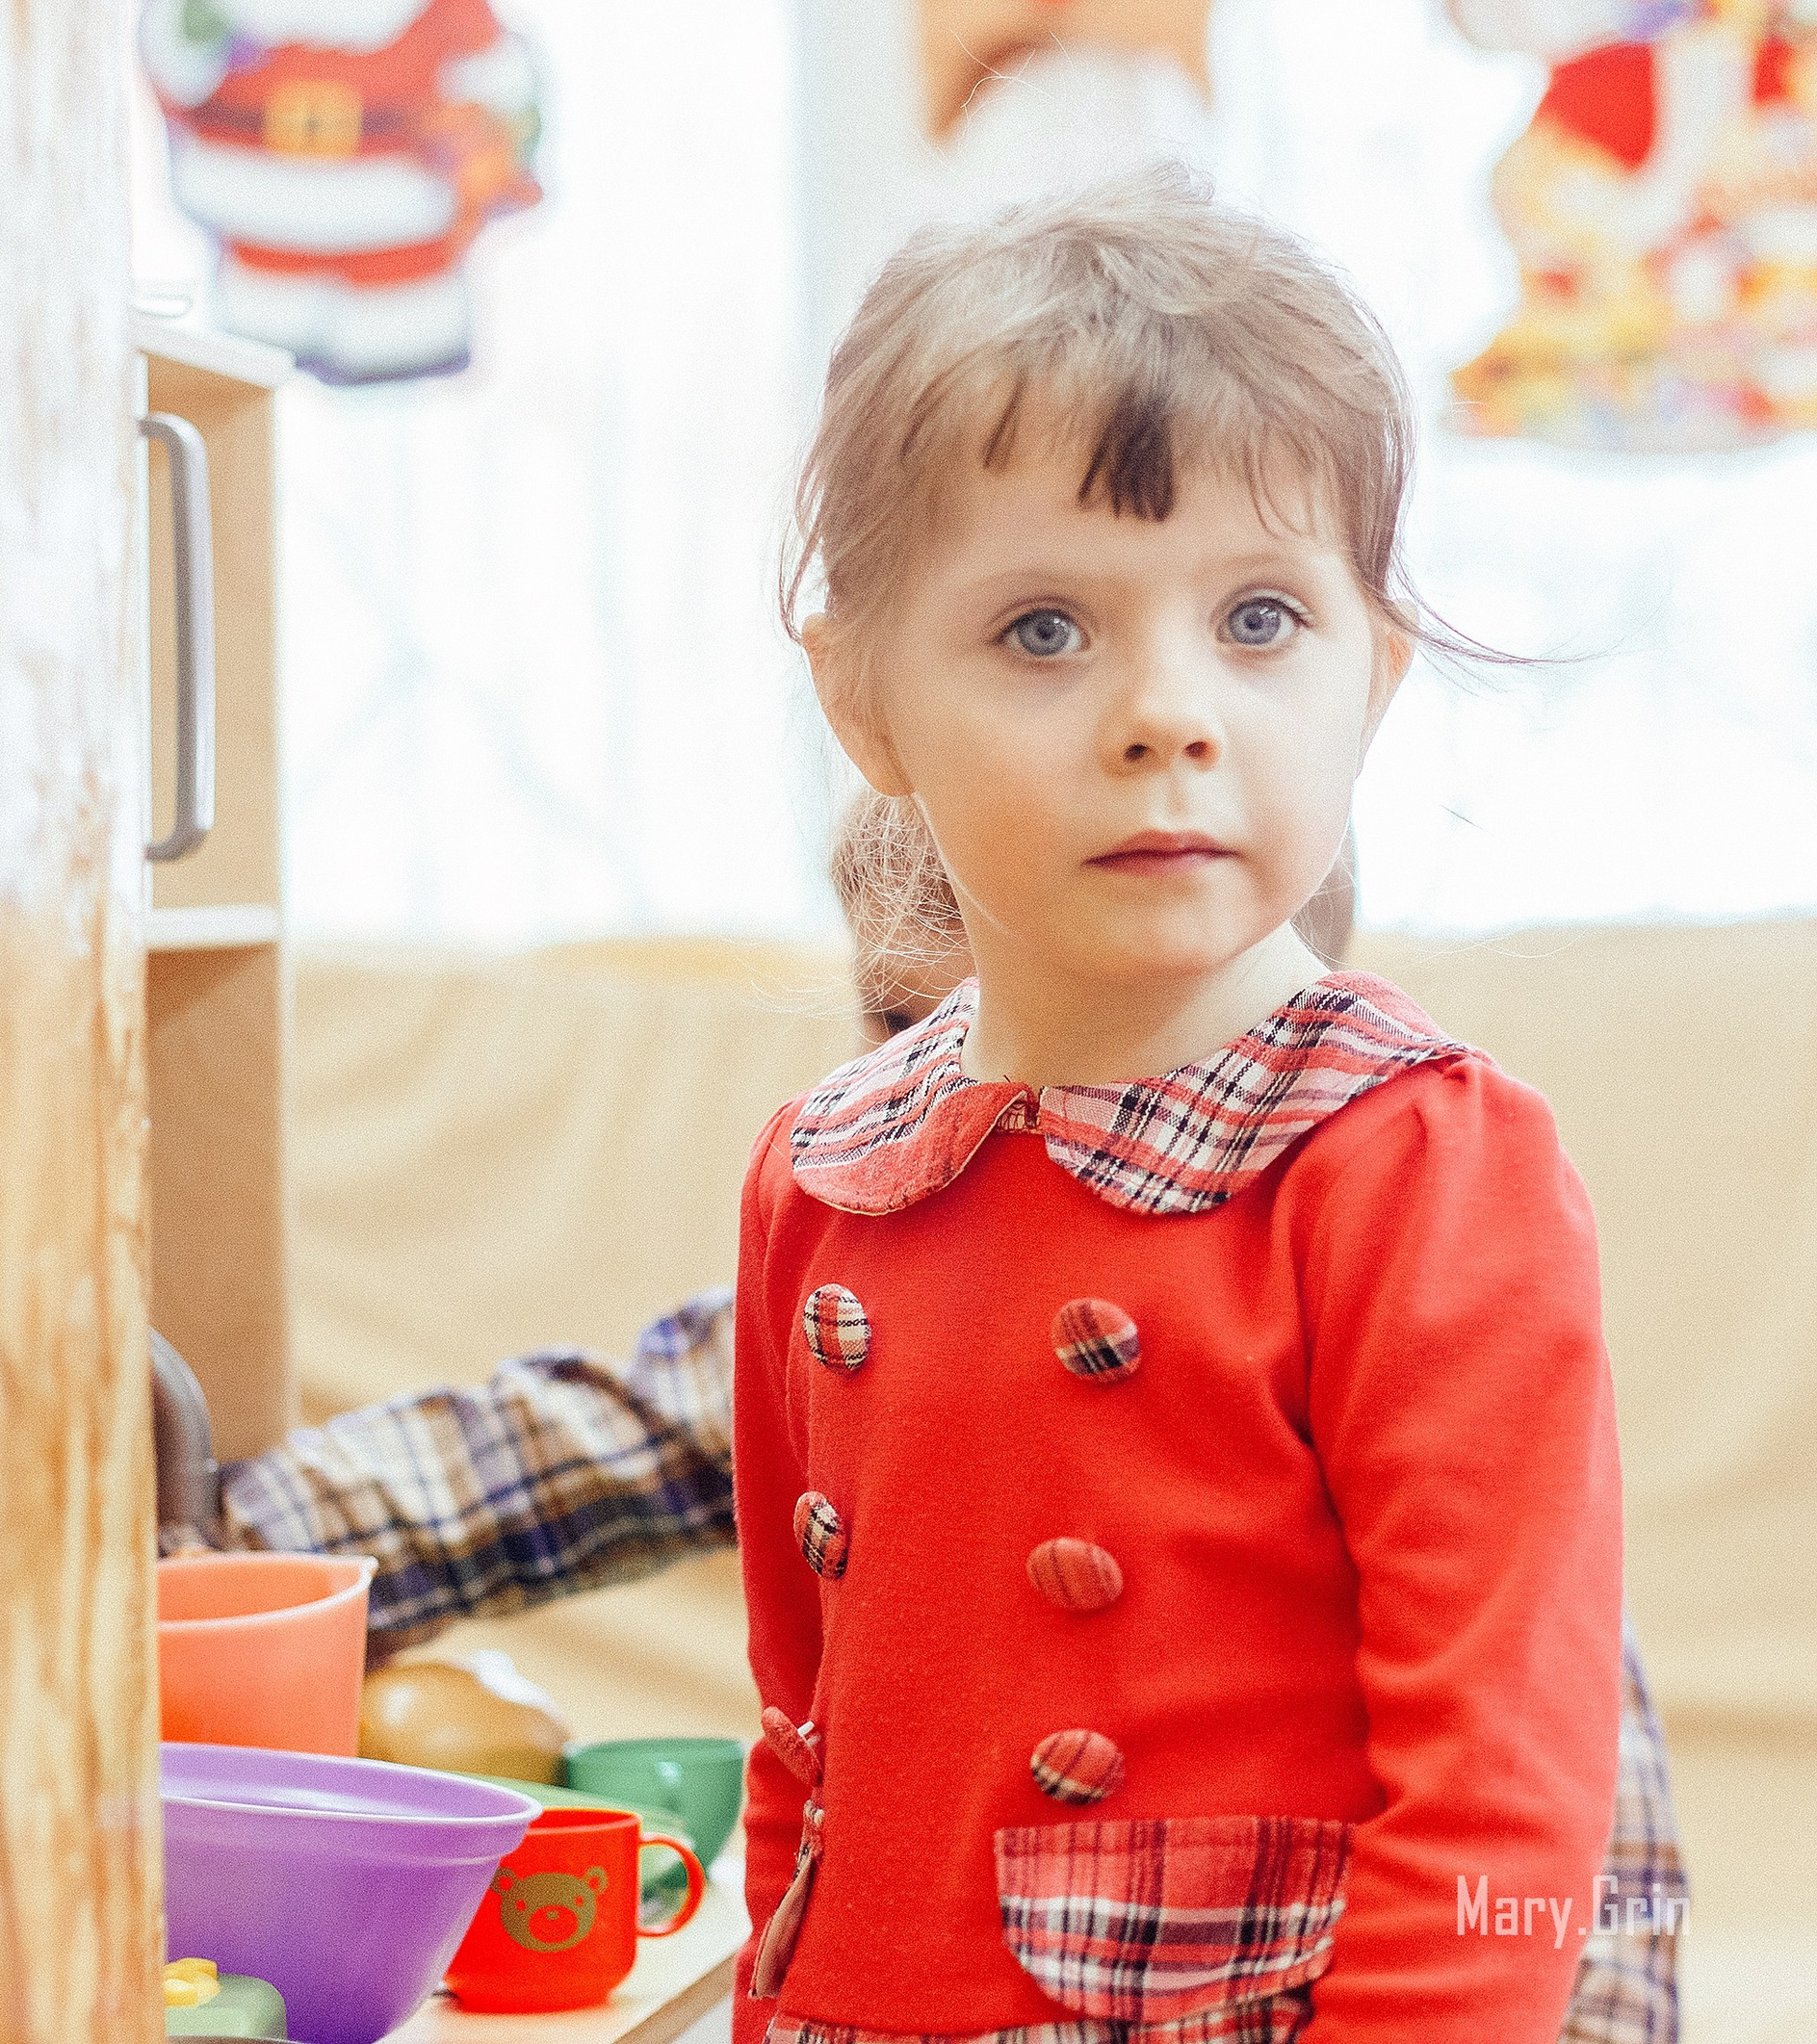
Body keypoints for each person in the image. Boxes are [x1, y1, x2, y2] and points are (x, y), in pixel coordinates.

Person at [221, 785, 1685, 2043]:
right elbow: (576, 1442)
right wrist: (225, 1548)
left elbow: (1545, 1812)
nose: (985, 1108)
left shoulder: (1385, 1230)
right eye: (915, 1025)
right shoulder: (859, 1227)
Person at [723, 163, 1656, 2044]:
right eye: (1043, 630)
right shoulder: (821, 1176)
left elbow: (1505, 1812)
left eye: (1258, 618)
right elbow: (803, 1736)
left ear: (1375, 674)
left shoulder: (1420, 1164)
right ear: (860, 699)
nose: (1168, 713)